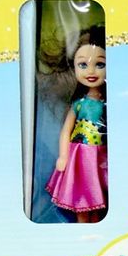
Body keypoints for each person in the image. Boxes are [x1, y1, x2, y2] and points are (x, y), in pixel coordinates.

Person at [44, 25, 108, 222]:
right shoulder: (79, 104)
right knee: (82, 200)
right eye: (83, 65)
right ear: (73, 67)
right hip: (80, 156)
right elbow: (66, 131)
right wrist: (63, 156)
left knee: (97, 202)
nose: (91, 71)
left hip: (100, 156)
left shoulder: (108, 103)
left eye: (100, 64)